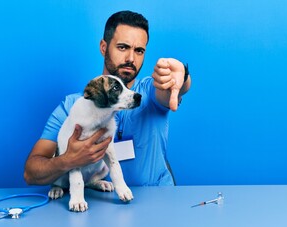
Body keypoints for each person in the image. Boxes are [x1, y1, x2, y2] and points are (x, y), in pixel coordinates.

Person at [24, 10, 191, 187]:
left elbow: (171, 90)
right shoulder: (71, 106)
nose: (131, 58)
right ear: (104, 47)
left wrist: (182, 78)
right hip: (101, 203)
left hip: (156, 200)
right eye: (123, 47)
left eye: (139, 51)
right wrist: (68, 160)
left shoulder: (148, 92)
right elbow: (31, 173)